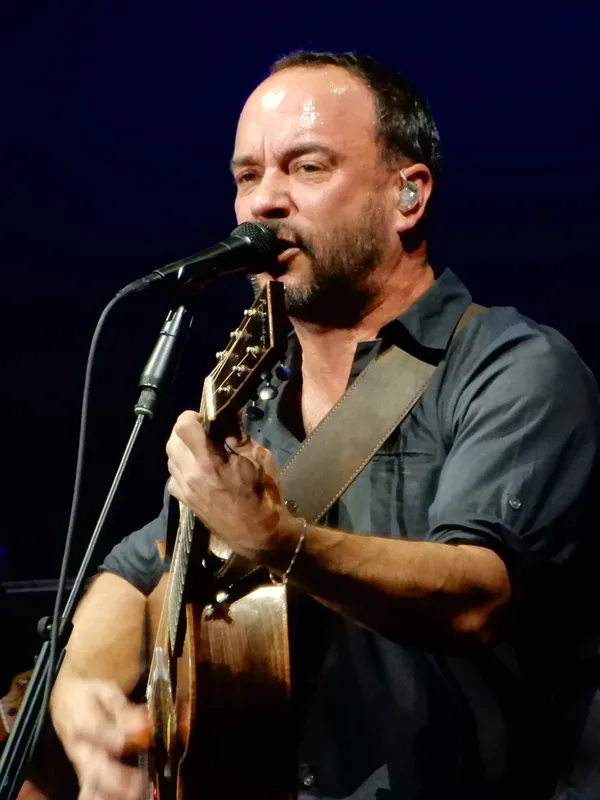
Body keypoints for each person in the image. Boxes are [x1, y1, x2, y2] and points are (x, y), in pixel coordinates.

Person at [48, 51, 600, 800]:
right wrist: (80, 695)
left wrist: (278, 541)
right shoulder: (256, 411)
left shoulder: (513, 367)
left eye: (307, 167)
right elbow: (139, 565)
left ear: (408, 194)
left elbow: (477, 596)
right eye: (248, 176)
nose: (264, 202)